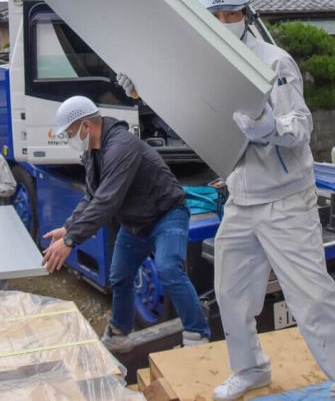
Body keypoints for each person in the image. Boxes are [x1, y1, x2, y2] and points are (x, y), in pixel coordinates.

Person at [179, 0, 335, 400]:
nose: (224, 22)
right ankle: (251, 370)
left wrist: (269, 128)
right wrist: (144, 88)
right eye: (215, 15)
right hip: (241, 201)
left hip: (286, 201)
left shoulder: (274, 61)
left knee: (312, 299)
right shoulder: (206, 66)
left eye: (231, 13)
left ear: (245, 12)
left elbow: (300, 128)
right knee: (230, 294)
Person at [41, 95, 211, 352]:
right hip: (135, 223)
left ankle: (197, 335)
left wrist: (70, 240)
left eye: (71, 132)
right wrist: (68, 227)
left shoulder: (121, 146)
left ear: (87, 126)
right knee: (119, 276)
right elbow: (91, 196)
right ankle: (119, 334)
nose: (69, 139)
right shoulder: (92, 154)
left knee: (168, 267)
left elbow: (106, 201)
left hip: (166, 214)